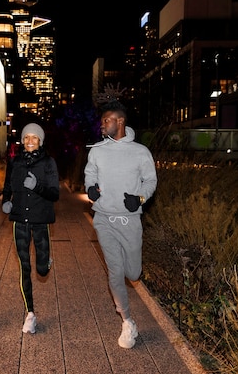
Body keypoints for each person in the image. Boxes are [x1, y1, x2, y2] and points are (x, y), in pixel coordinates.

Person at [83, 100, 157, 349]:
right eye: (102, 121)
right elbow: (90, 173)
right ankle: (127, 321)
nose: (102, 124)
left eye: (107, 120)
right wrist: (91, 188)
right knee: (115, 272)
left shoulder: (140, 152)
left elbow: (150, 181)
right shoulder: (97, 151)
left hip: (130, 221)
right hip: (104, 218)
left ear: (120, 121)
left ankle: (127, 307)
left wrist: (140, 198)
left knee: (133, 273)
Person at [1, 123, 59, 334]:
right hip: (20, 220)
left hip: (41, 219)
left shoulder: (48, 163)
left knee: (41, 270)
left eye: (34, 137)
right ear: (23, 140)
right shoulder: (15, 162)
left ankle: (46, 262)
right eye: (27, 137)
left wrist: (37, 187)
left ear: (40, 141)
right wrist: (6, 200)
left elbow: (55, 194)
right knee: (24, 266)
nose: (30, 141)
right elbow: (7, 186)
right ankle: (30, 313)